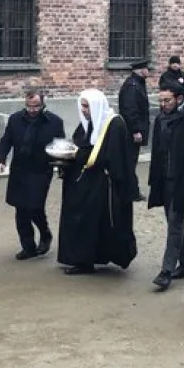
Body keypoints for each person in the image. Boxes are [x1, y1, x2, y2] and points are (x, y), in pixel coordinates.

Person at [56, 89, 138, 275]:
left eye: (87, 106)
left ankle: (88, 259)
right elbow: (81, 144)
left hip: (101, 185)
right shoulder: (87, 123)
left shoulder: (114, 124)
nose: (84, 110)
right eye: (82, 106)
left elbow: (114, 157)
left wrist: (79, 155)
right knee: (81, 220)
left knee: (94, 222)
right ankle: (82, 259)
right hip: (82, 182)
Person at [0, 90, 66, 260]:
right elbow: (6, 140)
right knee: (21, 209)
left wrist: (62, 166)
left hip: (41, 169)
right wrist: (0, 159)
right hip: (20, 169)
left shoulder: (54, 122)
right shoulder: (15, 120)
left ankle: (45, 232)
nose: (32, 110)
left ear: (43, 104)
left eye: (36, 106)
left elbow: (60, 146)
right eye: (29, 106)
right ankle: (28, 247)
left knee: (35, 207)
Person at [147, 82, 184, 291]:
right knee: (176, 223)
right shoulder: (161, 119)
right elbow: (157, 151)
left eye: (167, 100)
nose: (163, 104)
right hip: (165, 179)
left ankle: (166, 271)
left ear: (179, 99)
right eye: (160, 100)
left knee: (175, 223)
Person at [118, 58, 150, 201]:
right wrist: (135, 130)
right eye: (146, 68)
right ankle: (130, 192)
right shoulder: (132, 86)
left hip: (134, 130)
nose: (148, 71)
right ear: (141, 70)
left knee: (131, 161)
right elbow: (130, 110)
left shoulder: (137, 84)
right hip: (131, 132)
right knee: (130, 162)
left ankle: (131, 191)